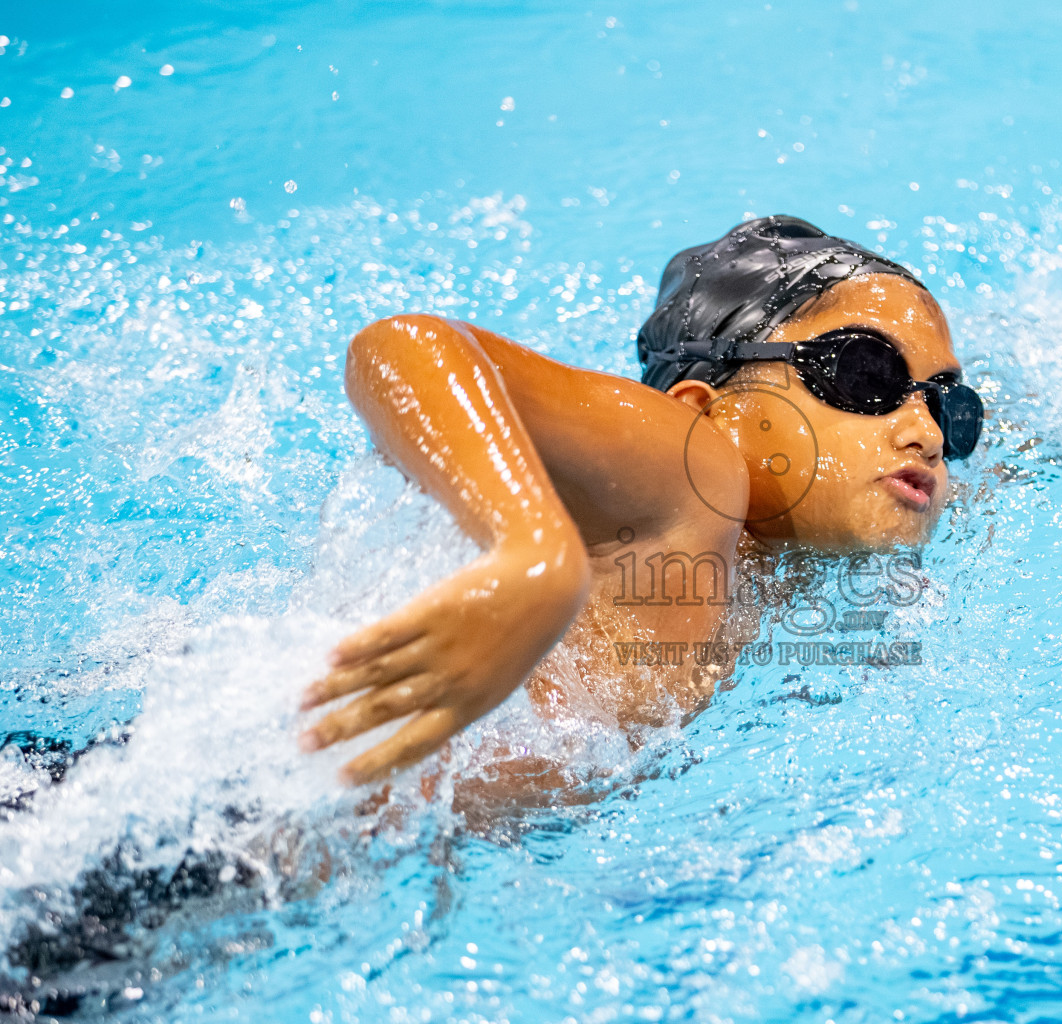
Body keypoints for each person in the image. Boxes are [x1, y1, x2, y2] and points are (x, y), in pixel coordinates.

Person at [296, 216, 983, 803]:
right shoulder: (694, 475)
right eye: (866, 373)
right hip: (285, 816)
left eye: (950, 407)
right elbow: (401, 347)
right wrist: (534, 554)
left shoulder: (787, 573)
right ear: (705, 410)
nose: (925, 432)